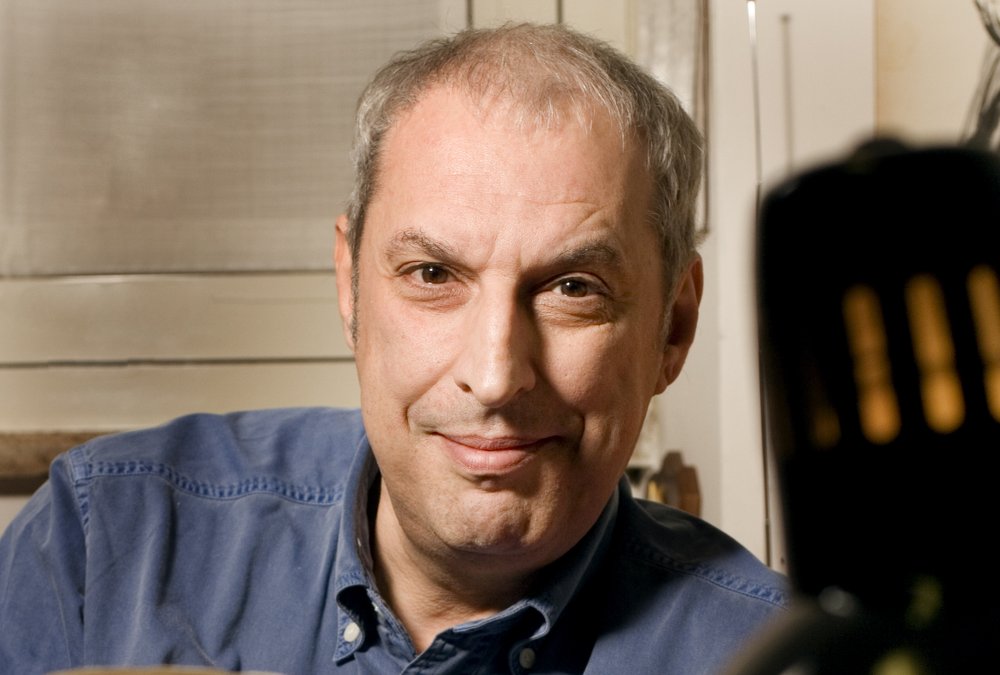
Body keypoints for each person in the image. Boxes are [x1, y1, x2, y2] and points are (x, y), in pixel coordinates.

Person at [0, 23, 786, 674]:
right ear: (351, 287)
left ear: (673, 327)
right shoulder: (99, 542)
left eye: (572, 288)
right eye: (433, 274)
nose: (495, 375)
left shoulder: (771, 654)